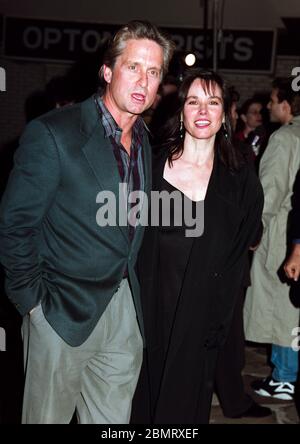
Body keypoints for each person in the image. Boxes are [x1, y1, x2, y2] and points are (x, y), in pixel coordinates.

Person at [0, 20, 174, 424]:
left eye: (153, 72)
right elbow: (14, 225)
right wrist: (33, 307)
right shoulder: (53, 134)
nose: (142, 81)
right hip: (60, 311)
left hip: (124, 315)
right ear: (108, 71)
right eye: (133, 67)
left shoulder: (146, 141)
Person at [131, 69, 264, 424]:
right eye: (193, 101)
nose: (203, 110)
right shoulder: (150, 167)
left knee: (185, 414)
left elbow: (244, 246)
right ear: (182, 111)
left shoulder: (239, 177)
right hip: (149, 316)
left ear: (224, 115)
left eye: (213, 102)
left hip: (202, 321)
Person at [214, 87, 271, 419]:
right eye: (234, 111)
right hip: (227, 264)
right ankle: (233, 400)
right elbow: (250, 208)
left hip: (220, 263)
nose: (236, 117)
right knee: (229, 338)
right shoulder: (232, 154)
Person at [244, 77, 300, 401]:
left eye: (273, 100)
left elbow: (270, 191)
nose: (267, 106)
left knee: (283, 305)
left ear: (287, 104)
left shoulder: (284, 138)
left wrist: (254, 229)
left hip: (283, 231)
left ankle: (285, 376)